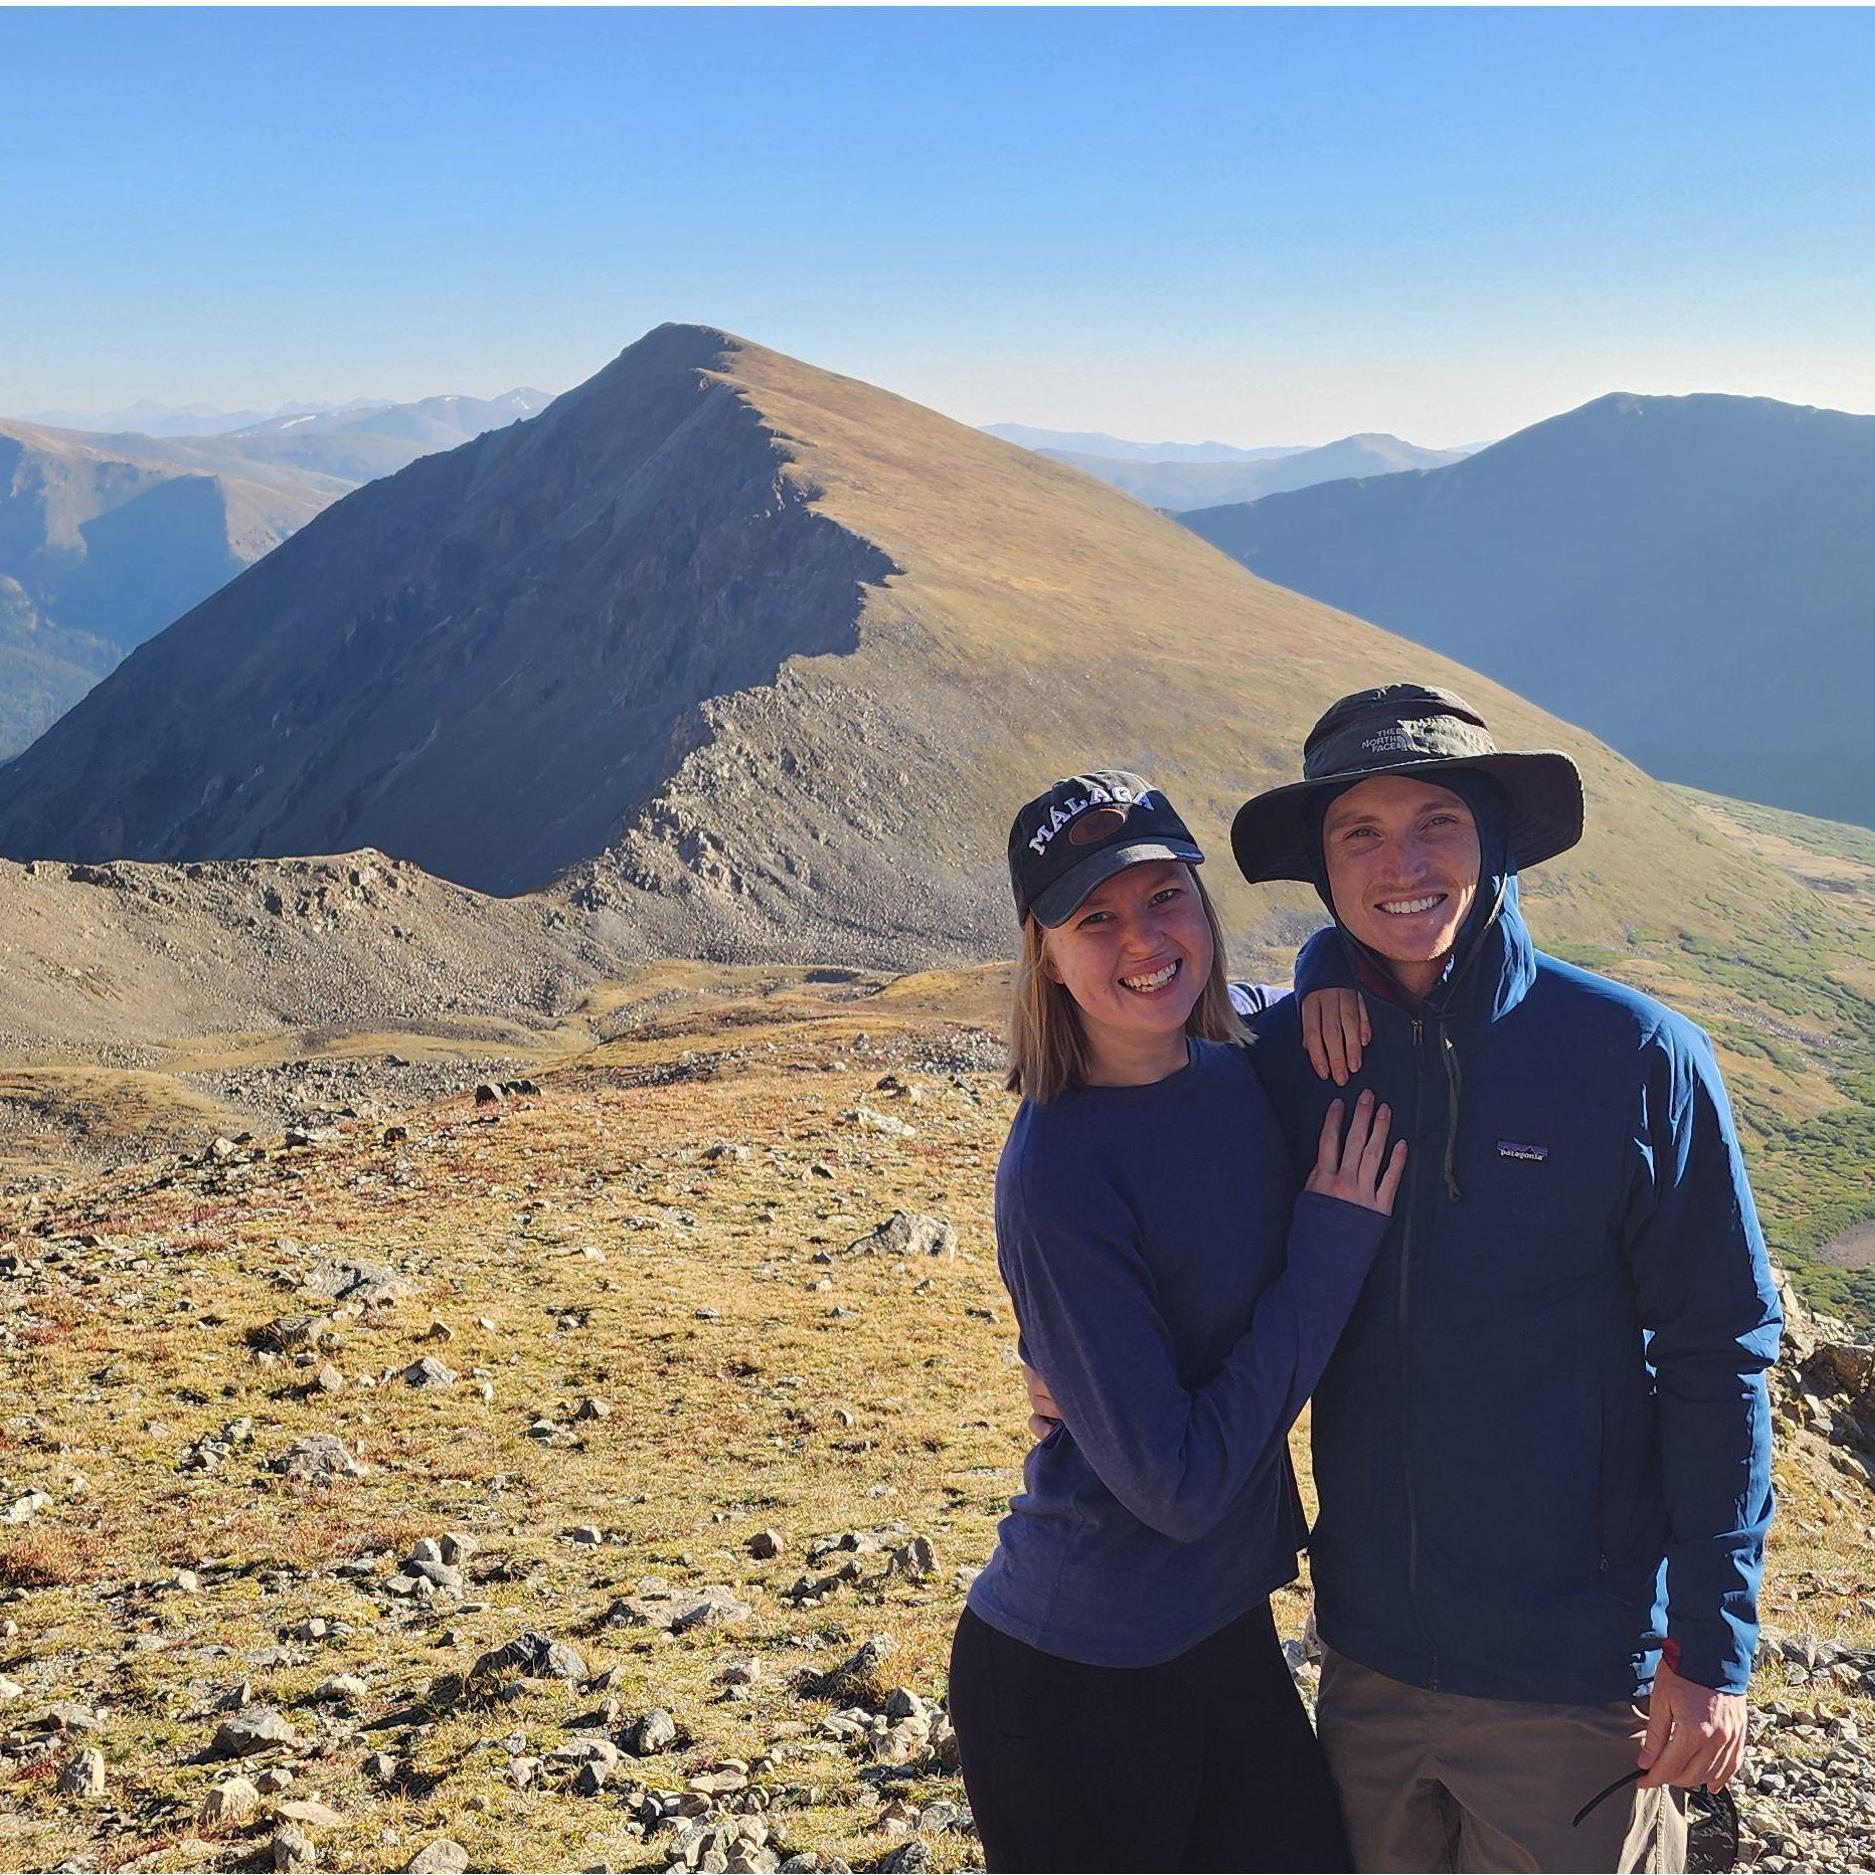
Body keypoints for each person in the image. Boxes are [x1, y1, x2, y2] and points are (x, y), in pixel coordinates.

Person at [1227, 685, 1783, 1873]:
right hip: (1369, 1664)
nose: (1401, 864)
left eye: (1437, 821)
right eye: (1358, 835)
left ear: (1496, 839)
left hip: (1577, 1684)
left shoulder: (1635, 1058)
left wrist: (1712, 1646)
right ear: (1322, 872)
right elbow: (1135, 1107)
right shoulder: (1293, 1058)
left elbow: (1720, 1354)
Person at [948, 770, 1404, 1874]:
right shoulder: (1057, 1169)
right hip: (1078, 1676)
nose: (1142, 939)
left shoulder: (1234, 1064)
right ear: (1045, 955)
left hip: (1221, 1629)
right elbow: (1181, 1488)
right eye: (1094, 917)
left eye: (1166, 897)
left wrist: (1330, 963)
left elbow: (1322, 988)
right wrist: (1330, 1248)